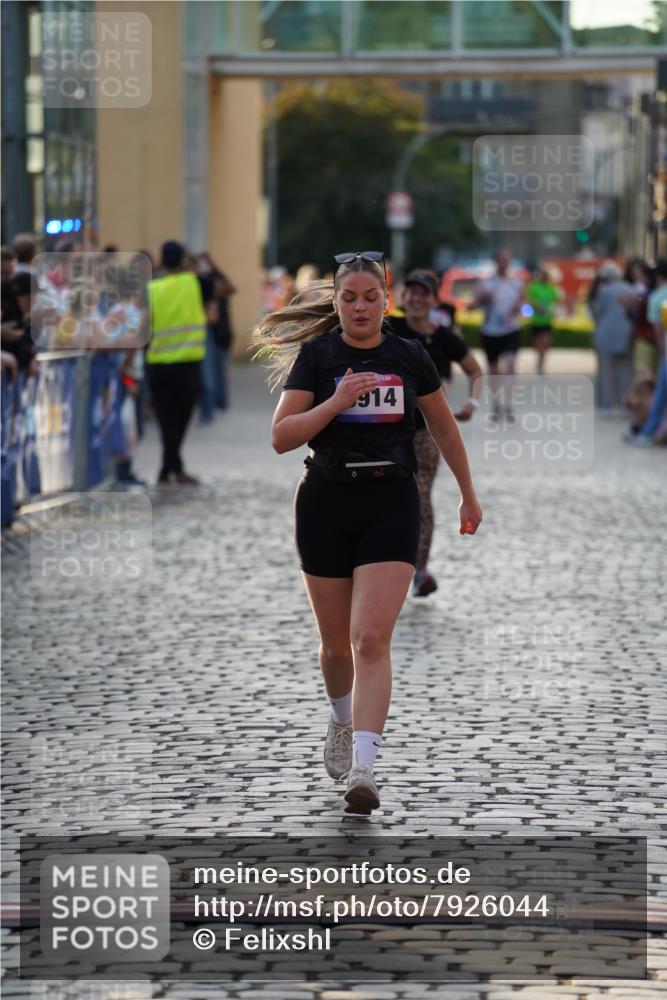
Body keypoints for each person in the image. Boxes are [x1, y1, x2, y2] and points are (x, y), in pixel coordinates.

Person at [253, 250, 482, 815]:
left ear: (387, 300)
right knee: (335, 647)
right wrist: (337, 401)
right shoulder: (319, 356)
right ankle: (340, 719)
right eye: (349, 298)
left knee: (370, 639)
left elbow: (445, 430)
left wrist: (469, 496)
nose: (360, 307)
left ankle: (364, 768)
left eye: (370, 297)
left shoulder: (409, 356)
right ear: (336, 302)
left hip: (391, 501)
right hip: (326, 503)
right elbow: (282, 438)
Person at [389, 269, 482, 597]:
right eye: (410, 292)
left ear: (434, 300)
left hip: (426, 430)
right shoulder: (389, 328)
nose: (415, 299)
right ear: (402, 297)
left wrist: (471, 402)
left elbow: (474, 370)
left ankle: (419, 568)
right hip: (385, 430)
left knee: (419, 495)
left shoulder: (444, 337)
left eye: (423, 293)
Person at [146, 240, 206, 485]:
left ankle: (169, 468)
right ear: (183, 259)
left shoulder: (151, 288)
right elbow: (225, 288)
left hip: (158, 365)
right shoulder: (194, 282)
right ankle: (170, 469)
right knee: (180, 420)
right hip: (188, 365)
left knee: (166, 420)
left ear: (161, 260)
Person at [473, 248, 524, 422]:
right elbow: (475, 304)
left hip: (510, 330)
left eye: (507, 260)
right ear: (495, 262)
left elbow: (523, 303)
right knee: (494, 370)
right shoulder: (486, 284)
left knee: (510, 365)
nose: (505, 263)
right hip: (490, 331)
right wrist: (483, 299)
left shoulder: (516, 283)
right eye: (502, 260)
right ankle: (496, 405)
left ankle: (509, 404)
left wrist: (520, 308)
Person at [625, 258, 667, 447]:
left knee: (652, 391)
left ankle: (648, 430)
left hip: (654, 347)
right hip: (656, 347)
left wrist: (663, 352)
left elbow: (657, 330)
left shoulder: (657, 297)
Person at [590, 261, 636, 415]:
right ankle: (625, 404)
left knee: (606, 372)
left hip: (606, 334)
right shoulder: (630, 289)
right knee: (625, 372)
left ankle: (607, 405)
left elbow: (597, 312)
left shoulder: (604, 291)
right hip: (626, 334)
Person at [526, 266, 559, 375]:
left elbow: (556, 301)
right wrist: (537, 308)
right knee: (538, 344)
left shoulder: (551, 288)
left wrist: (553, 311)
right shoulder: (534, 287)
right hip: (536, 321)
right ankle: (539, 360)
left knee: (546, 342)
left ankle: (541, 364)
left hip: (547, 321)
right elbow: (529, 300)